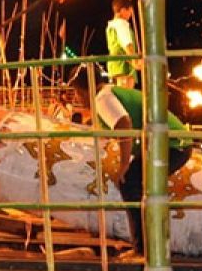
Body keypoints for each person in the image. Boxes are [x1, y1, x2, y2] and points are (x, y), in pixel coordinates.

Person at [68, 74, 191, 250]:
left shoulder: (102, 99)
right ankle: (149, 244)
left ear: (83, 91)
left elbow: (124, 124)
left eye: (77, 93)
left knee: (131, 183)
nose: (77, 98)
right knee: (138, 184)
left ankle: (144, 249)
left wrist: (124, 165)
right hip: (169, 142)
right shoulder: (111, 93)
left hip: (170, 144)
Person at [105, 0, 141, 88]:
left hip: (115, 66)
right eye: (129, 11)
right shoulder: (121, 24)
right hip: (124, 67)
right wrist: (135, 61)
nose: (130, 14)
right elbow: (127, 43)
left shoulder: (111, 25)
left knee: (120, 96)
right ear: (123, 10)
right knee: (125, 97)